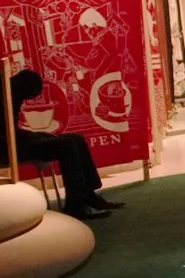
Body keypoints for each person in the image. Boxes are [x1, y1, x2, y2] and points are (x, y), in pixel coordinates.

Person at [8, 69, 121, 219]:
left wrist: (35, 135)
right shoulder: (3, 97)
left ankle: (89, 195)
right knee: (67, 145)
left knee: (77, 138)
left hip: (18, 141)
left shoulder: (12, 92)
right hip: (12, 148)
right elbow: (5, 136)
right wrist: (33, 136)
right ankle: (76, 204)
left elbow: (12, 131)